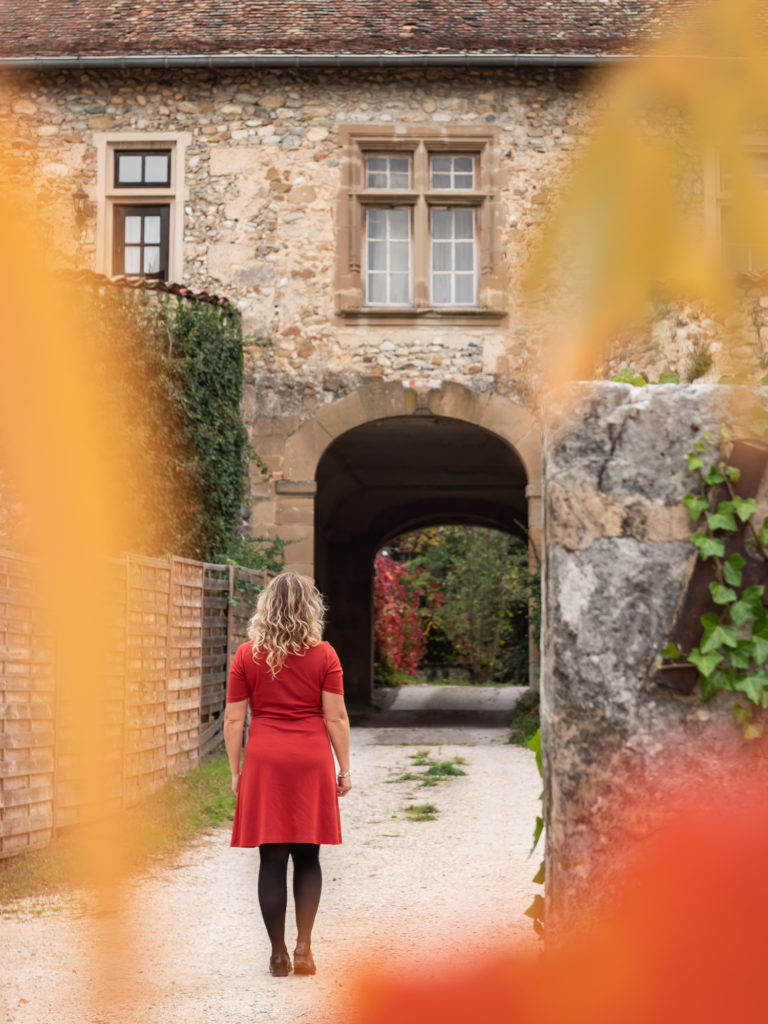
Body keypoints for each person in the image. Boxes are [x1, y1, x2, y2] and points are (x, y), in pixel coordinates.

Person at [223, 572, 352, 977]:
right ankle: (304, 950)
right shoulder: (325, 655)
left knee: (272, 857)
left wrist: (236, 771)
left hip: (265, 761)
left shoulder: (246, 655)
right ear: (310, 608)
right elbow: (336, 717)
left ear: (267, 605)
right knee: (309, 855)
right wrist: (344, 769)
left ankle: (277, 954)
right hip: (310, 760)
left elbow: (232, 719)